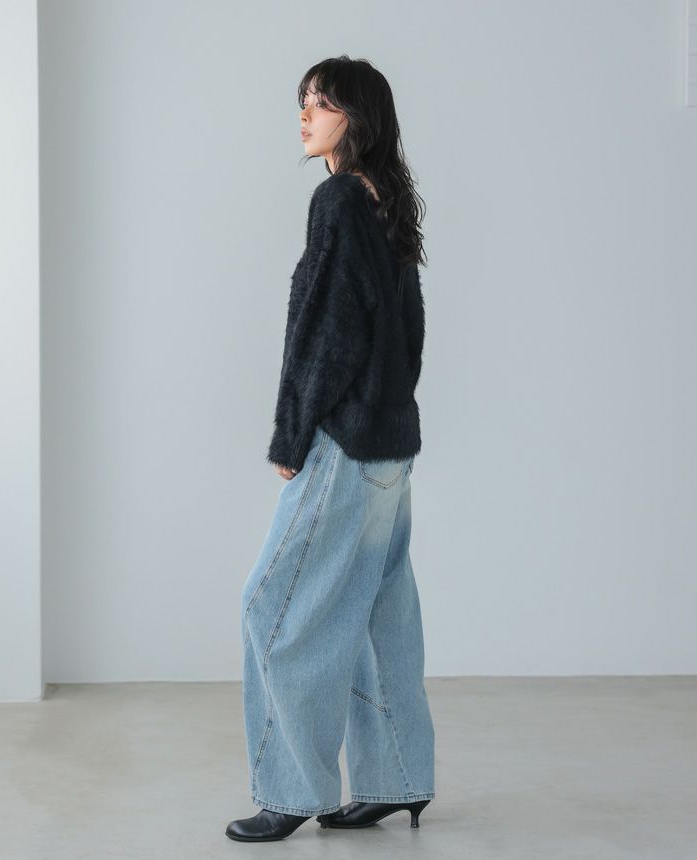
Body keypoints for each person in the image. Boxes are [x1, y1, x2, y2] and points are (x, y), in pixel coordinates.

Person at [226, 54, 435, 843]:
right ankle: (397, 779)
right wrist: (391, 410)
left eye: (321, 103)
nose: (305, 115)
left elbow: (325, 329)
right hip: (391, 448)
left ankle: (291, 790)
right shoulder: (386, 199)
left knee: (273, 608)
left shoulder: (339, 199)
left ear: (358, 116)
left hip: (346, 446)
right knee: (377, 615)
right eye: (304, 101)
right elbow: (410, 331)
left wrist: (293, 431)